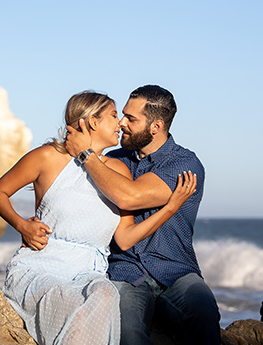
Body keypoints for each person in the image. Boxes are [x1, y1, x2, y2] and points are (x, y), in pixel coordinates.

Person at [0, 91, 197, 345]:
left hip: (89, 271)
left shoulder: (118, 170)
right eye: (114, 116)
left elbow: (126, 237)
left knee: (106, 295)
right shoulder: (48, 157)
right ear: (93, 122)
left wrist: (170, 208)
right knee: (72, 301)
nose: (120, 123)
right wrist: (22, 225)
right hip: (44, 265)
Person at [65, 85, 220, 345]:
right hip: (126, 271)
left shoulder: (184, 165)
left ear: (156, 126)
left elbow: (130, 196)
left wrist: (86, 155)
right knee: (126, 331)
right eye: (122, 115)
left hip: (176, 271)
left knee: (203, 310)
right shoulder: (115, 160)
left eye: (131, 119)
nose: (122, 123)